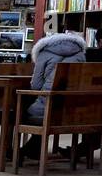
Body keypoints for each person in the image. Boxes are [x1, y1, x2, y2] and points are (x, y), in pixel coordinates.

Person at [17, 27, 87, 161]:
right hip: (74, 111)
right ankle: (32, 149)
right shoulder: (80, 54)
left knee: (18, 110)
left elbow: (36, 86)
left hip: (48, 109)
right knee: (48, 107)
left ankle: (11, 151)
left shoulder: (44, 52)